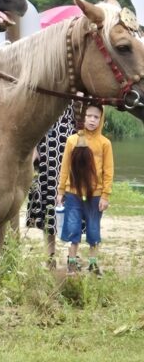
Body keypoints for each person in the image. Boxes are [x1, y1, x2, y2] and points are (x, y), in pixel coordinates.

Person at [57, 104, 113, 276]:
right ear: (83, 118)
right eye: (89, 116)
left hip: (95, 196)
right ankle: (72, 263)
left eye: (96, 117)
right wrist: (60, 191)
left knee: (93, 230)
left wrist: (105, 195)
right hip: (73, 194)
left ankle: (93, 264)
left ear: (100, 120)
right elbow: (64, 167)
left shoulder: (105, 143)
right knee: (73, 228)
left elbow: (109, 171)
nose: (92, 120)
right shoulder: (72, 140)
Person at [26, 103, 79, 268]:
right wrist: (33, 148)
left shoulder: (79, 89)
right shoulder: (49, 84)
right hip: (48, 149)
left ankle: (72, 256)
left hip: (73, 150)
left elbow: (92, 118)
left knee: (74, 205)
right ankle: (50, 257)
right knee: (48, 203)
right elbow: (34, 120)